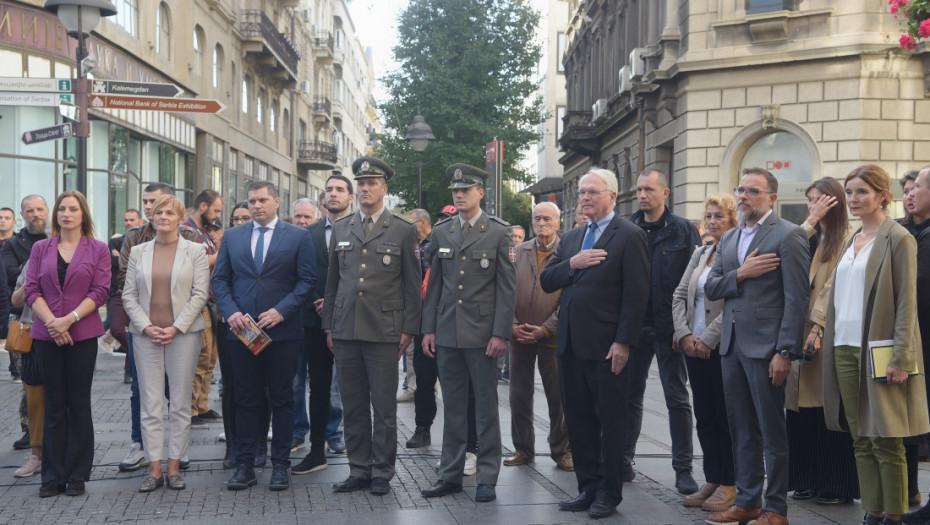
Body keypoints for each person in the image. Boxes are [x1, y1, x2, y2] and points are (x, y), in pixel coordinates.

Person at [539, 168, 650, 519]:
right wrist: (573, 263)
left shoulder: (629, 235)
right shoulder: (572, 238)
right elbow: (547, 280)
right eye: (583, 192)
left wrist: (623, 342)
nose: (585, 197)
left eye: (592, 192)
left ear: (612, 196)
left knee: (611, 423)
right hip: (570, 344)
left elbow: (637, 296)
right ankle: (587, 488)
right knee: (579, 420)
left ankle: (609, 493)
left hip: (607, 348)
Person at [821, 165, 928, 525]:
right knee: (860, 437)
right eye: (849, 192)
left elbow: (906, 304)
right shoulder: (852, 240)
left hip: (880, 352)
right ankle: (873, 509)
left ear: (883, 194)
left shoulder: (898, 238)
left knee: (887, 438)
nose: (853, 199)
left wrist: (901, 357)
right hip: (843, 348)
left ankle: (895, 514)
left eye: (862, 192)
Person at [704, 168, 810, 525]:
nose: (744, 196)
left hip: (768, 350)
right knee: (741, 429)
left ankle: (776, 509)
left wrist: (785, 351)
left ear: (771, 198)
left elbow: (797, 300)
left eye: (753, 190)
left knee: (771, 433)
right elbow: (713, 287)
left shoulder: (789, 235)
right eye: (741, 189)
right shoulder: (731, 237)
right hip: (731, 347)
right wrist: (742, 274)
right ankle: (748, 501)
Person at [322, 157, 421, 496]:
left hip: (384, 330)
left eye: (372, 183)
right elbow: (332, 283)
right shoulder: (341, 227)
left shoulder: (403, 229)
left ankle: (382, 470)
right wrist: (329, 326)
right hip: (346, 328)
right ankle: (358, 468)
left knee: (384, 406)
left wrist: (409, 328)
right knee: (352, 405)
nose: (365, 188)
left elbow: (412, 284)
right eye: (361, 184)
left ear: (384, 189)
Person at [421, 164, 517, 503]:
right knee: (454, 407)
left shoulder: (498, 232)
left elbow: (507, 289)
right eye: (455, 191)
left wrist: (500, 334)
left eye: (465, 190)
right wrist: (428, 328)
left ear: (480, 193)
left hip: (482, 336)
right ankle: (450, 474)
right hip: (447, 333)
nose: (459, 195)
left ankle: (487, 477)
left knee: (486, 408)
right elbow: (434, 285)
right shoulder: (442, 231)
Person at [213, 181, 317, 492]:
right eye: (251, 201)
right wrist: (230, 312)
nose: (256, 206)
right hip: (242, 331)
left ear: (276, 201)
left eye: (262, 200)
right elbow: (220, 280)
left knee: (283, 398)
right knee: (246, 399)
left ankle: (280, 466)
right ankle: (245, 466)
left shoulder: (298, 236)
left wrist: (281, 311)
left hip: (282, 332)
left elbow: (307, 281)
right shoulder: (232, 236)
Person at [24, 190, 110, 498]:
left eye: (73, 209)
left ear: (83, 214)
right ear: (56, 214)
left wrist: (69, 319)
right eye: (62, 209)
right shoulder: (41, 248)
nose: (66, 214)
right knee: (54, 405)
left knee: (78, 403)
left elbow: (100, 291)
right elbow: (32, 290)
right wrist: (53, 323)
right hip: (47, 335)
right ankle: (51, 475)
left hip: (81, 334)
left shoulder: (97, 249)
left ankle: (76, 475)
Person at [122, 195, 210, 492]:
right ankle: (154, 469)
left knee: (181, 403)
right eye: (158, 212)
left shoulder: (195, 250)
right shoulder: (138, 250)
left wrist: (175, 327)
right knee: (150, 403)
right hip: (144, 336)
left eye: (169, 212)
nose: (163, 217)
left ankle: (174, 468)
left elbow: (200, 294)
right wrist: (146, 327)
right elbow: (128, 295)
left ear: (179, 217)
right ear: (152, 217)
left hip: (183, 335)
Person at [625, 169, 701, 493]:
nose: (643, 195)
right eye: (639, 189)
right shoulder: (627, 229)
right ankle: (623, 460)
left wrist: (684, 327)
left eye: (649, 189)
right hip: (635, 328)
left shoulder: (683, 231)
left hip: (670, 330)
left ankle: (683, 469)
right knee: (629, 397)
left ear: (665, 193)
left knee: (677, 399)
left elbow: (696, 283)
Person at [786, 178, 859, 505]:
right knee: (801, 411)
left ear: (833, 202)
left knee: (831, 410)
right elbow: (787, 254)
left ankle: (836, 484)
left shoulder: (847, 238)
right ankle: (805, 478)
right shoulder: (810, 235)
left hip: (828, 333)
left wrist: (817, 327)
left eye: (818, 200)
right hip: (799, 332)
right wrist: (810, 222)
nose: (812, 206)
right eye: (809, 200)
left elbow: (832, 286)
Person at [671, 194, 738, 512]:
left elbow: (737, 304)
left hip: (721, 348)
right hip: (692, 346)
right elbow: (680, 292)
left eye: (719, 217)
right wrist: (684, 333)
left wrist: (707, 339)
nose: (712, 222)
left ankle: (730, 482)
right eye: (709, 216)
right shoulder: (701, 252)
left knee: (726, 417)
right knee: (705, 416)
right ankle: (712, 478)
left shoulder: (740, 253)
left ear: (733, 220)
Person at [291, 174, 354, 474]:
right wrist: (319, 301)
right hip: (313, 322)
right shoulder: (308, 233)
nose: (333, 194)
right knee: (318, 386)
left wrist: (335, 301)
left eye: (340, 190)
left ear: (350, 198)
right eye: (328, 190)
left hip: (354, 322)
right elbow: (300, 274)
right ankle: (317, 449)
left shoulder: (361, 231)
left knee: (352, 388)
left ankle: (357, 451)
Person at [503, 202, 573, 471]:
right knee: (518, 395)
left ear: (558, 222)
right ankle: (523, 449)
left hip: (552, 336)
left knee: (558, 397)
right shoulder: (518, 251)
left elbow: (567, 298)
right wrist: (512, 324)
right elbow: (505, 289)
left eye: (547, 219)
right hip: (519, 336)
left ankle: (562, 451)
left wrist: (545, 328)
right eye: (537, 219)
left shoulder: (567, 252)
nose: (541, 223)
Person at [214, 202, 260, 469]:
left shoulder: (263, 245)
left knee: (260, 386)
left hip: (259, 324)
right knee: (231, 386)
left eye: (246, 217)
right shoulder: (228, 245)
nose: (241, 222)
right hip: (230, 323)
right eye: (236, 218)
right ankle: (233, 445)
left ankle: (257, 445)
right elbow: (218, 282)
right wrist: (230, 312)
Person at [186, 189, 224, 428]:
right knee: (200, 357)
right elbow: (194, 262)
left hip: (210, 301)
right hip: (197, 303)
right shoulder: (188, 231)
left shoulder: (205, 232)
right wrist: (222, 254)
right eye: (216, 210)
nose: (218, 215)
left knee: (210, 358)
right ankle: (191, 410)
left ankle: (203, 405)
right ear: (203, 206)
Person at [405, 207, 439, 448]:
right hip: (420, 321)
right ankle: (422, 428)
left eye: (411, 223)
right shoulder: (409, 245)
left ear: (423, 223)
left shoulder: (438, 241)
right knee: (423, 379)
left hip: (445, 318)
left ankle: (464, 439)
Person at [11, 260, 43, 479]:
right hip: (30, 335)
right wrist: (31, 279)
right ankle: (37, 455)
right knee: (34, 399)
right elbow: (15, 300)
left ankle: (62, 453)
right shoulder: (35, 259)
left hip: (62, 331)